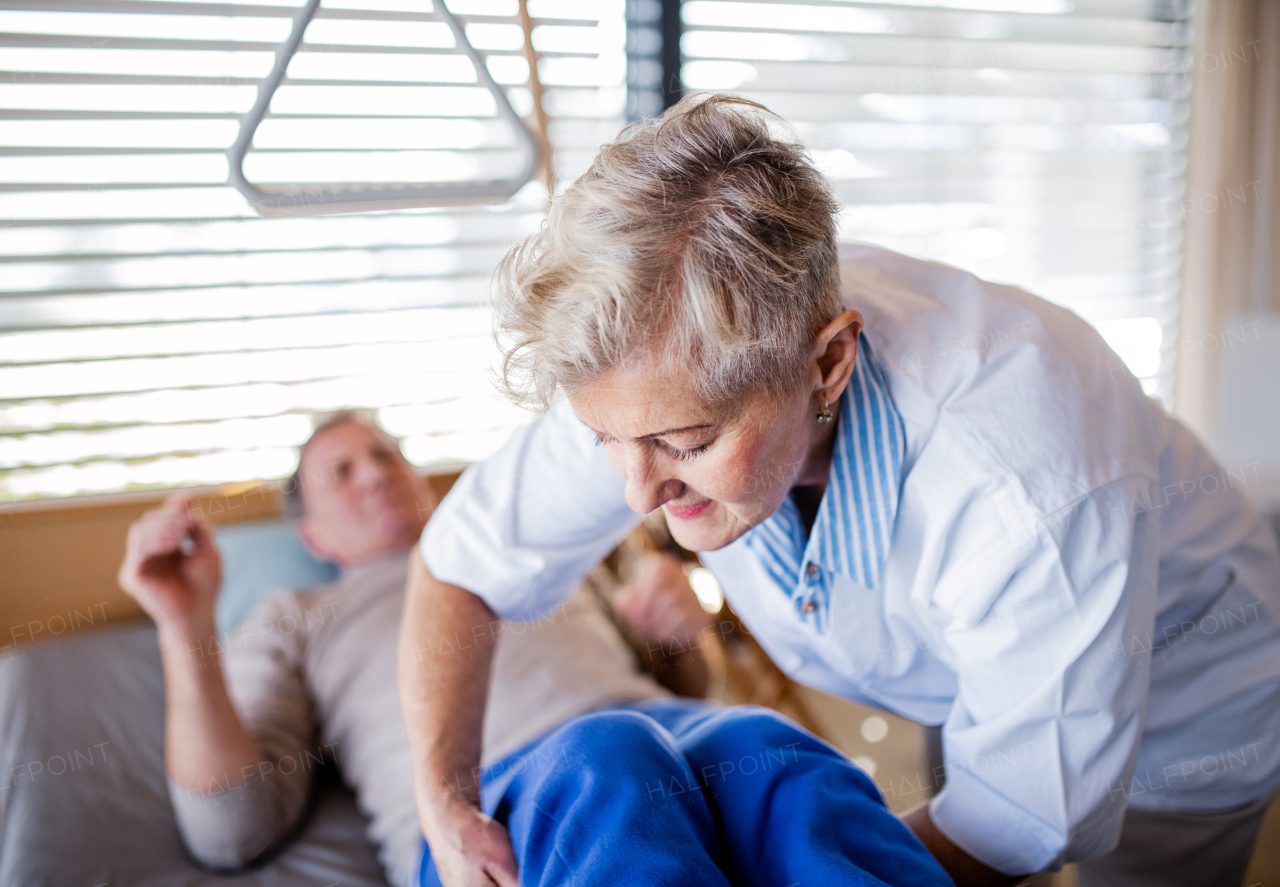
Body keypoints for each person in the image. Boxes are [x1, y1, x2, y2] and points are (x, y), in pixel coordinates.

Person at [399, 94, 1280, 887]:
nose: (637, 495)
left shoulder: (1029, 486)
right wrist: (443, 803)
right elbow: (464, 565)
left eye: (688, 445)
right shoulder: (651, 368)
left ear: (827, 362)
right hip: (963, 664)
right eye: (605, 442)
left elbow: (1021, 812)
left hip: (1189, 696)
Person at [119, 414, 951, 887]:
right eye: (341, 471)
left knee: (772, 746)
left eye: (385, 453)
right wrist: (183, 627)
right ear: (310, 533)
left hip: (673, 737)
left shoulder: (527, 552)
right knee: (606, 754)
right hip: (493, 804)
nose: (374, 474)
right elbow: (231, 829)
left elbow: (683, 686)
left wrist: (680, 638)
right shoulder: (297, 614)